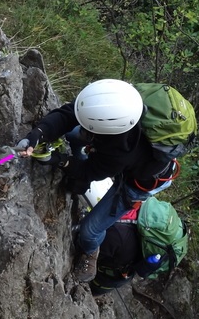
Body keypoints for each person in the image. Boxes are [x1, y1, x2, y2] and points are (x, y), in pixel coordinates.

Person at [17, 79, 176, 282]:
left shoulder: (121, 152)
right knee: (75, 136)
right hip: (123, 154)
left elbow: (89, 171)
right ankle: (79, 183)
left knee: (90, 230)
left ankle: (91, 252)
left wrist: (59, 160)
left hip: (138, 183)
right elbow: (68, 114)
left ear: (104, 130)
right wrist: (39, 134)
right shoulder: (112, 101)